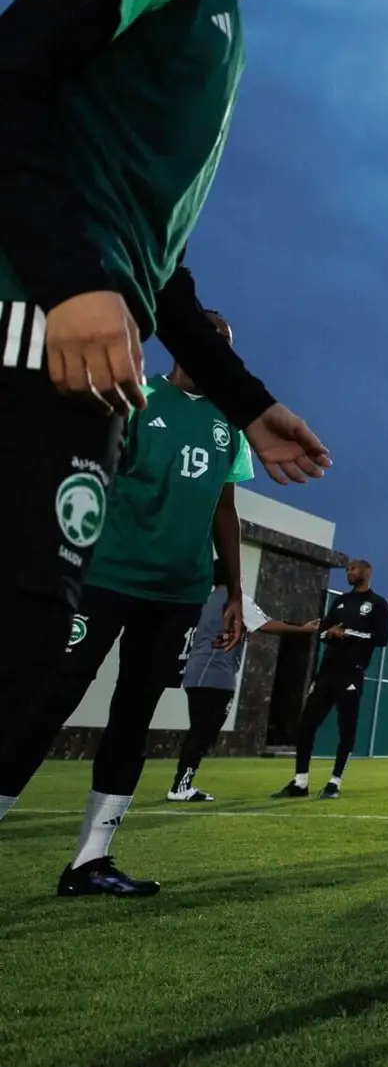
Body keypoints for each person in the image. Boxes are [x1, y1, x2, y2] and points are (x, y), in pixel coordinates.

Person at [0, 0, 334, 828]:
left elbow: (157, 259)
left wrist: (246, 401)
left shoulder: (221, 25)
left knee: (21, 653)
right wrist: (68, 281)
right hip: (23, 327)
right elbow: (9, 78)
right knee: (17, 647)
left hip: (81, 358)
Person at [0, 310, 257, 895]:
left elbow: (224, 508)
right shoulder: (136, 395)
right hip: (106, 579)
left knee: (134, 718)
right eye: (210, 341)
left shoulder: (230, 424)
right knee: (48, 699)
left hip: (178, 594)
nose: (218, 353)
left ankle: (91, 860)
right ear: (182, 343)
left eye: (227, 345)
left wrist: (234, 591)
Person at [168, 587, 308, 801]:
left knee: (199, 731)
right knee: (203, 733)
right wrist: (305, 630)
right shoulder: (237, 600)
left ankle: (182, 784)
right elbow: (267, 624)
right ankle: (180, 786)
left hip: (194, 671)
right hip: (216, 675)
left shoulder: (204, 598)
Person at [270, 559, 388, 799]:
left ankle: (334, 783)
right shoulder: (341, 601)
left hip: (351, 673)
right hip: (326, 672)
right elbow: (323, 631)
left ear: (367, 572)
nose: (349, 572)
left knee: (346, 729)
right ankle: (300, 782)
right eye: (347, 570)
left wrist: (348, 633)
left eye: (353, 569)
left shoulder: (377, 604)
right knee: (306, 725)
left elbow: (382, 638)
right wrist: (331, 632)